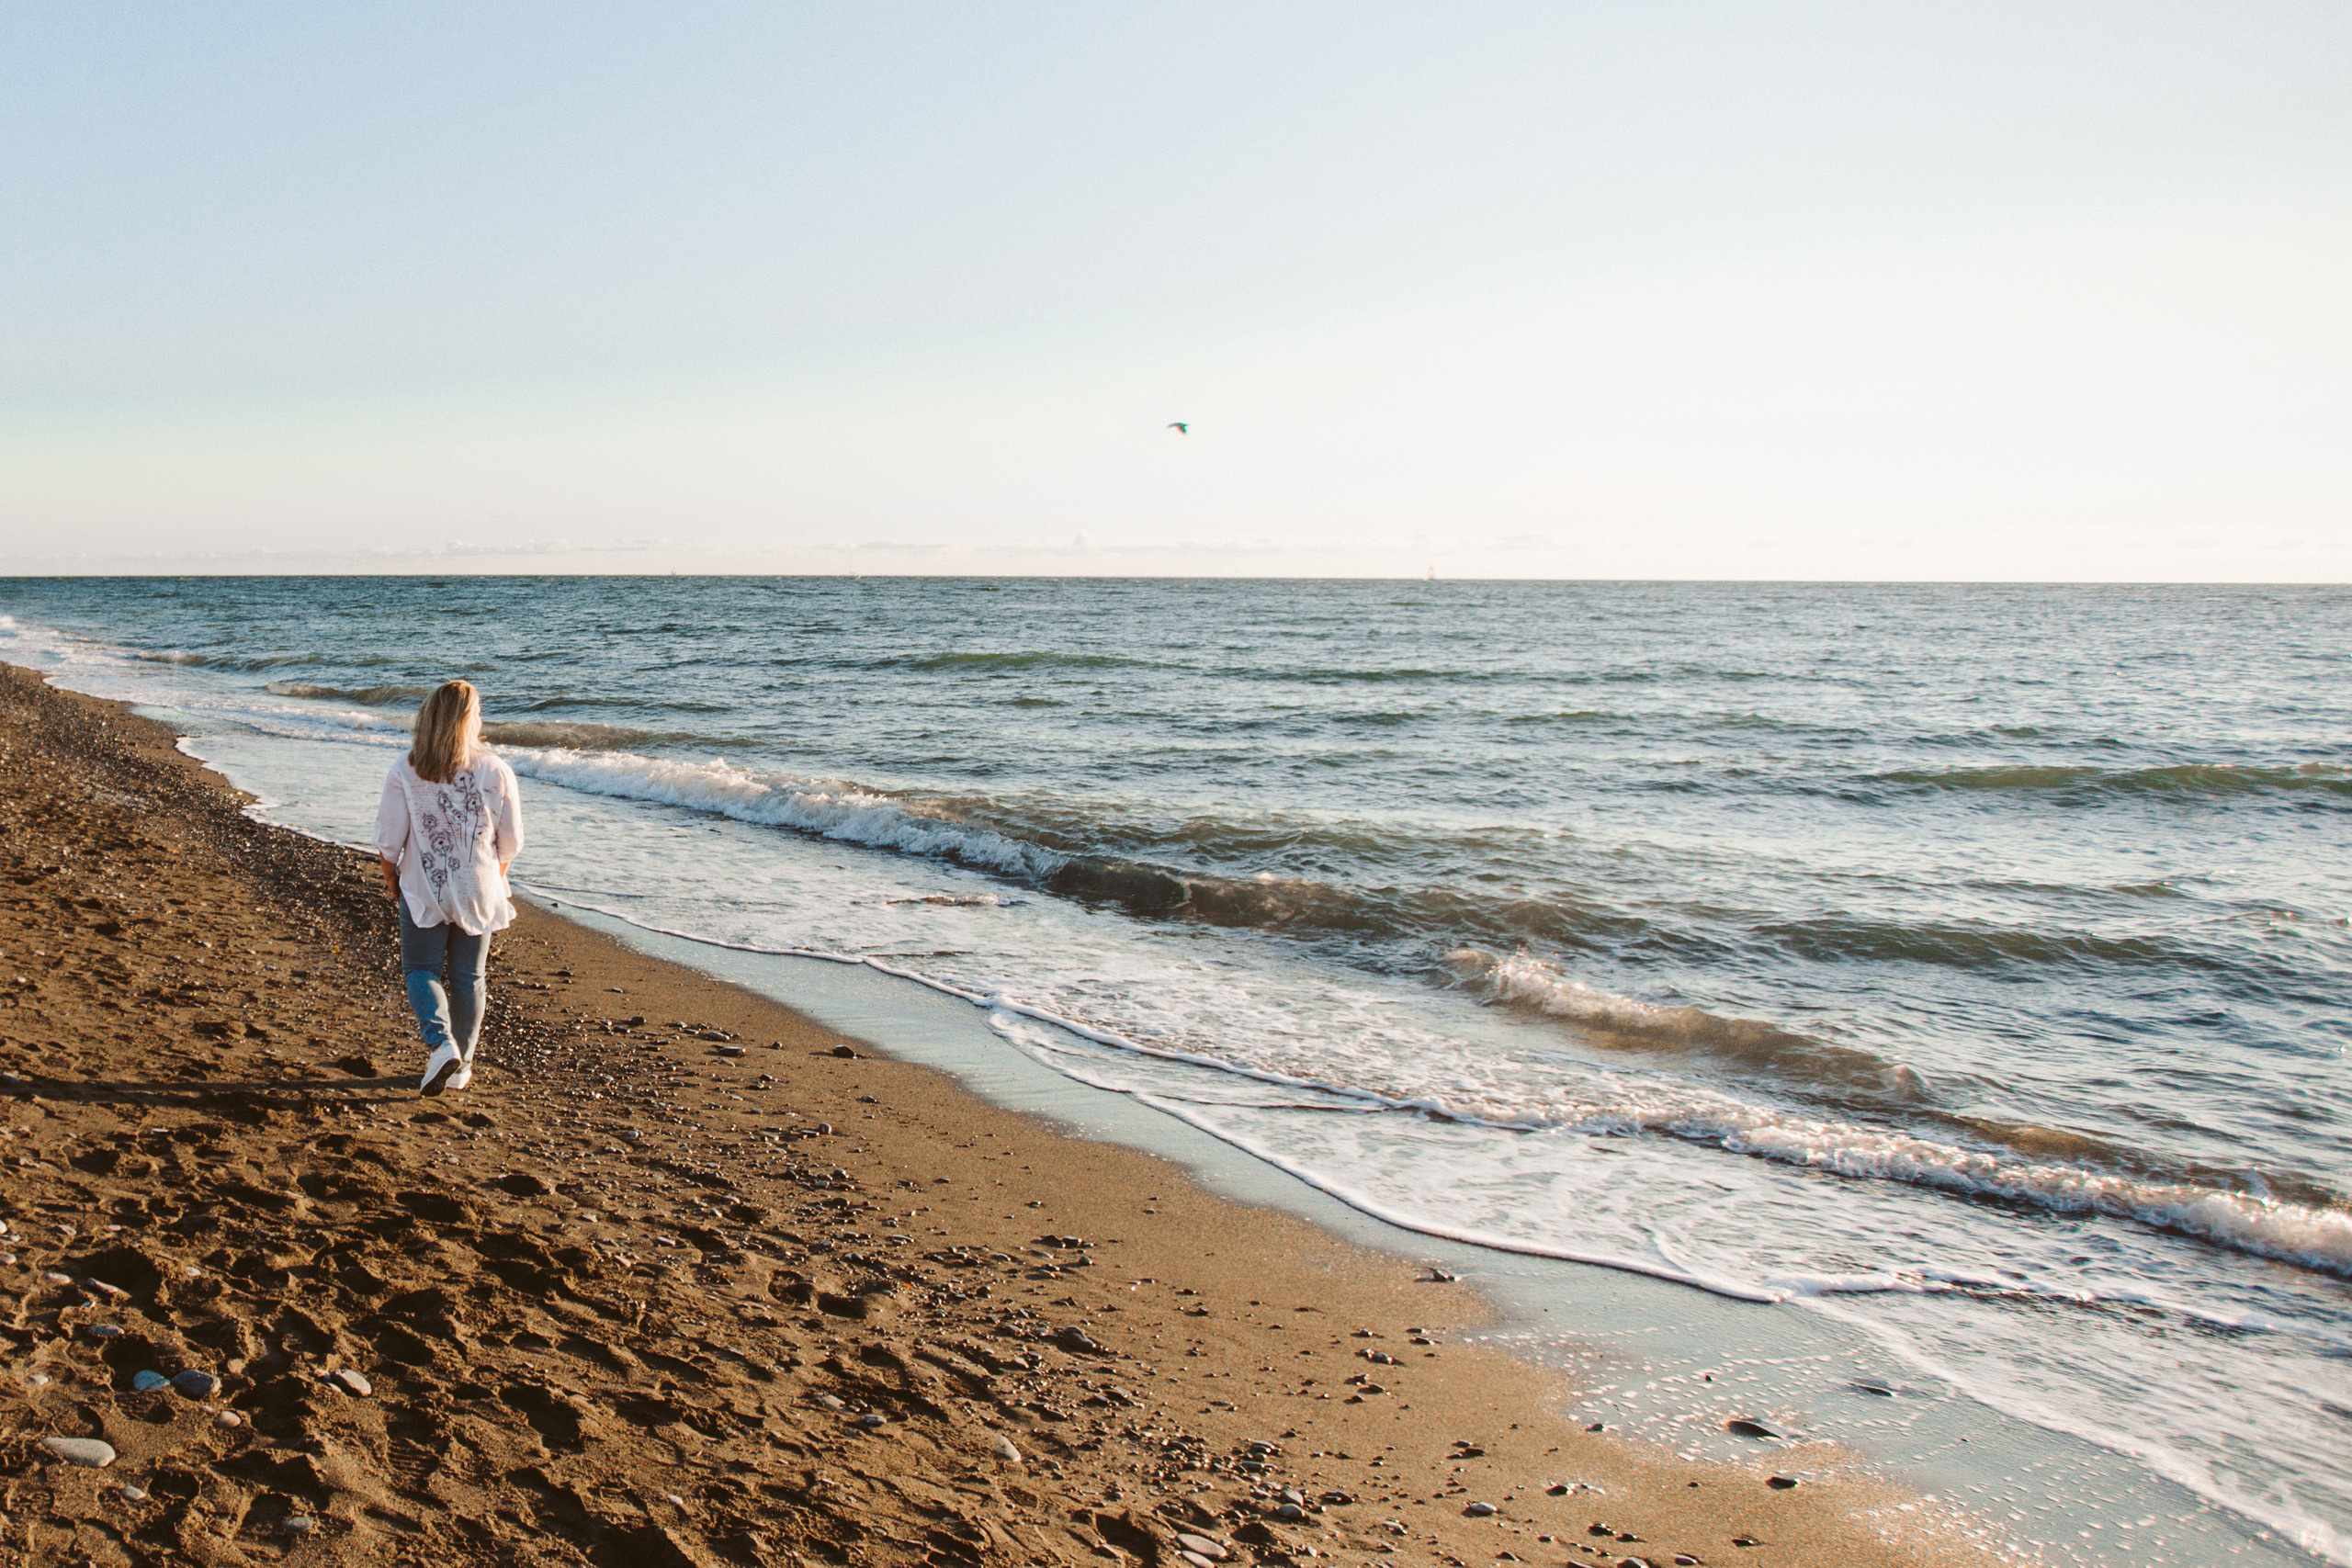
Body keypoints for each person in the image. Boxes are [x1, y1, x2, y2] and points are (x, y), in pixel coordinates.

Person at [371, 680, 525, 1096]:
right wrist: (494, 874)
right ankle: (462, 1067)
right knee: (468, 977)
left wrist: (390, 875)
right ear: (469, 720)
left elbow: (389, 837)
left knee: (421, 970)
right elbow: (510, 841)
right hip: (479, 885)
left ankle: (441, 1044)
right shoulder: (496, 769)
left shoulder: (408, 767)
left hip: (425, 885)